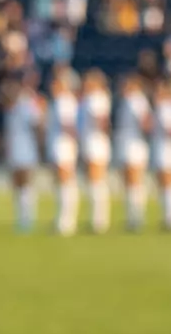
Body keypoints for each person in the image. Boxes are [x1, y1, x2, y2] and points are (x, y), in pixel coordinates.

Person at [3, 71, 44, 233]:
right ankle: (21, 218)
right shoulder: (12, 108)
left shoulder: (27, 104)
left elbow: (37, 124)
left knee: (26, 184)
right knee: (17, 185)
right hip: (15, 148)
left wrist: (40, 145)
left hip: (26, 148)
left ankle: (28, 219)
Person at [45, 68, 81, 236]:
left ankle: (67, 221)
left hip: (64, 146)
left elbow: (70, 126)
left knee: (65, 182)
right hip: (58, 145)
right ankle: (62, 218)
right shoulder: (58, 101)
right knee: (61, 183)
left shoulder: (65, 101)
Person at [114, 74, 152, 232]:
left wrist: (144, 133)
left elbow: (146, 121)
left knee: (134, 181)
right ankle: (132, 216)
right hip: (128, 143)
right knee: (129, 182)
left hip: (134, 145)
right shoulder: (128, 101)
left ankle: (136, 217)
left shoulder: (136, 100)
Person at [149, 76, 171, 231]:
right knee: (163, 183)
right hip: (161, 147)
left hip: (168, 149)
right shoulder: (161, 107)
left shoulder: (168, 106)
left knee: (170, 182)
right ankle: (167, 216)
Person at [79, 69, 113, 234]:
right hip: (90, 142)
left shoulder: (98, 98)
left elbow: (102, 121)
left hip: (96, 143)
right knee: (92, 181)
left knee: (96, 181)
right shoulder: (89, 98)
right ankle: (96, 218)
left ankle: (99, 220)